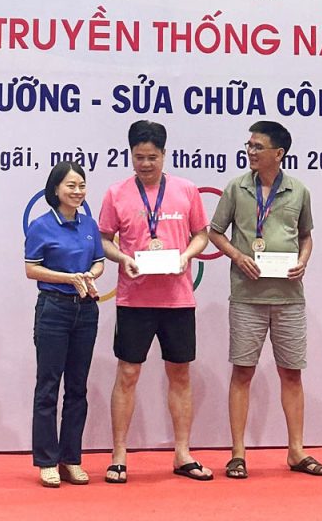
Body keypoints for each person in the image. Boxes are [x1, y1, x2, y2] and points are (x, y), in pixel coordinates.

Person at [209, 121, 322, 479]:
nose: (251, 151)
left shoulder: (298, 191)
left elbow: (306, 236)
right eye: (249, 145)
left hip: (289, 298)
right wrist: (237, 255)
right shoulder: (236, 187)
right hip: (247, 296)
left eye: (258, 146)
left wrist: (303, 261)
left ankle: (296, 451)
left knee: (291, 373)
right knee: (242, 371)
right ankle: (237, 454)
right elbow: (215, 232)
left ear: (279, 153)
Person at [97, 120, 212, 484]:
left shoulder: (186, 190)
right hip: (134, 299)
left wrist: (185, 257)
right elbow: (103, 239)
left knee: (180, 374)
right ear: (130, 155)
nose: (145, 164)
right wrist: (123, 258)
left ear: (164, 154)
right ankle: (118, 455)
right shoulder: (116, 193)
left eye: (152, 157)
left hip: (178, 299)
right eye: (139, 157)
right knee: (128, 374)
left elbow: (202, 234)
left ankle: (182, 453)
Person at [24, 161, 105, 487]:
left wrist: (89, 275)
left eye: (81, 185)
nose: (77, 191)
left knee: (77, 388)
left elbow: (98, 262)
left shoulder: (89, 225)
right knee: (48, 387)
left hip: (85, 311)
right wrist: (68, 278)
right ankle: (47, 461)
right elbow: (31, 269)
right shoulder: (41, 226)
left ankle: (71, 458)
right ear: (55, 189)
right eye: (71, 186)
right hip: (53, 310)